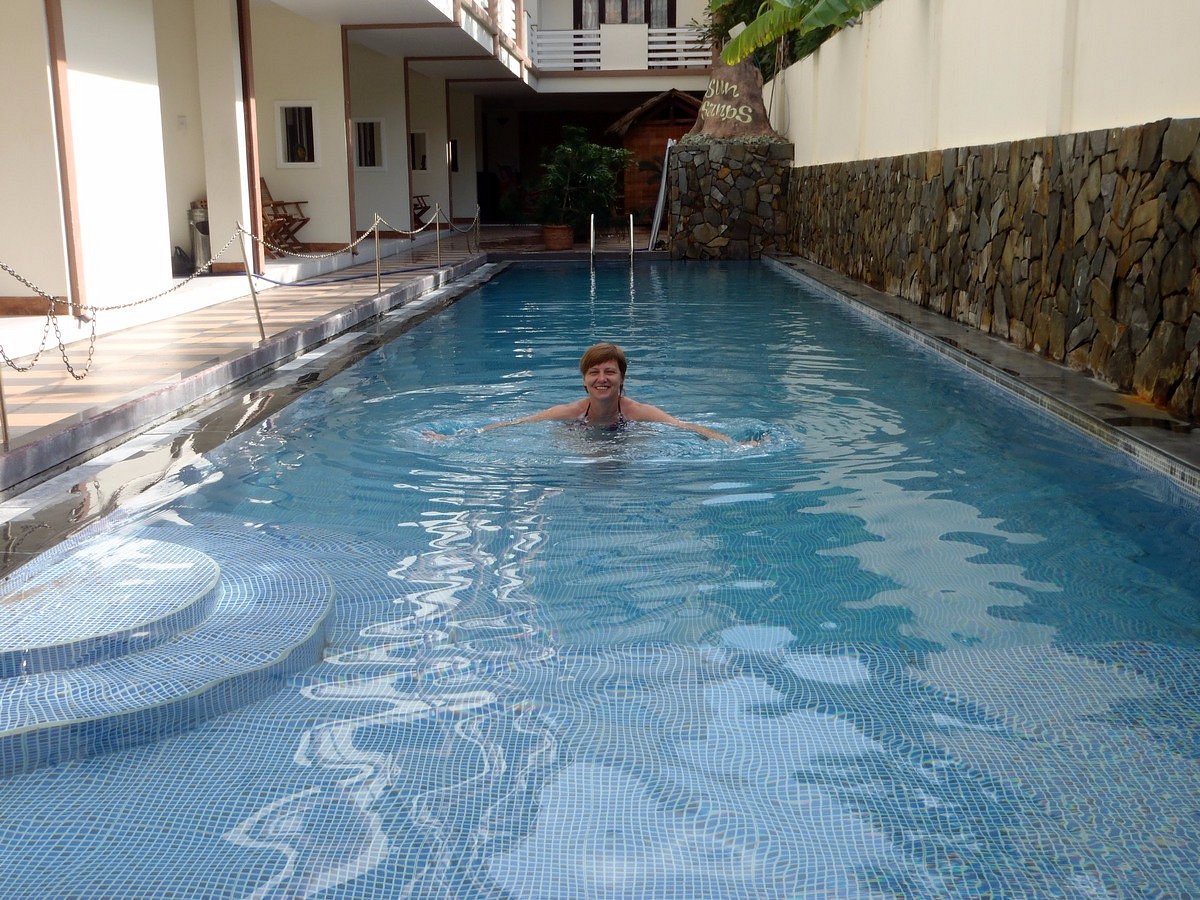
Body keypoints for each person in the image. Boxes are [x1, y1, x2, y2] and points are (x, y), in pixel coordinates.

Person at [429, 342, 737, 442]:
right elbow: (516, 424)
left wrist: (734, 444)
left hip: (625, 441)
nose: (602, 379)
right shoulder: (571, 412)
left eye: (610, 372)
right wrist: (455, 438)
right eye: (594, 372)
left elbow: (685, 427)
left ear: (621, 379)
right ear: (584, 380)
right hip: (583, 439)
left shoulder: (637, 412)